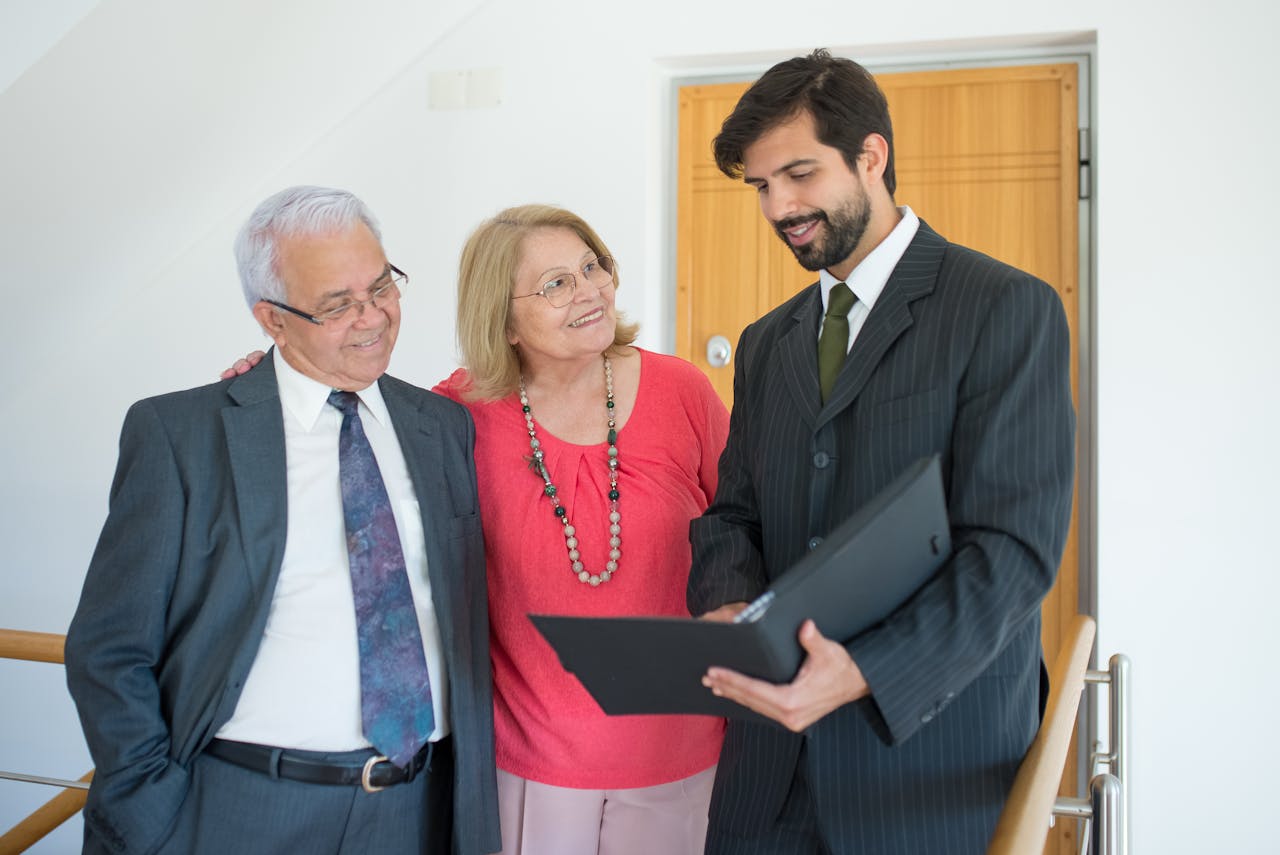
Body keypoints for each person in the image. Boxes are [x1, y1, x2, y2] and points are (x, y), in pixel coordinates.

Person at [225, 204, 730, 854]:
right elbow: (341, 421)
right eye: (555, 284)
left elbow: (745, 531)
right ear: (505, 318)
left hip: (683, 749)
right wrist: (274, 371)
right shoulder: (450, 418)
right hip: (529, 762)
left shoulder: (682, 390)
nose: (590, 290)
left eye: (591, 266)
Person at [687, 50, 1076, 854]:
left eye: (798, 174)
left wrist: (865, 668)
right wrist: (730, 607)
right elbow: (733, 514)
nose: (779, 207)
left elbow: (1012, 551)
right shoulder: (766, 343)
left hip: (928, 767)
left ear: (873, 154)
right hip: (768, 775)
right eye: (761, 186)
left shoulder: (1006, 308)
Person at [65, 186, 500, 855]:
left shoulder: (441, 426)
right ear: (272, 319)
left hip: (417, 809)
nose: (373, 317)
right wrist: (149, 802)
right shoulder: (181, 435)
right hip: (241, 806)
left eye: (383, 285)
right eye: (336, 304)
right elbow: (109, 649)